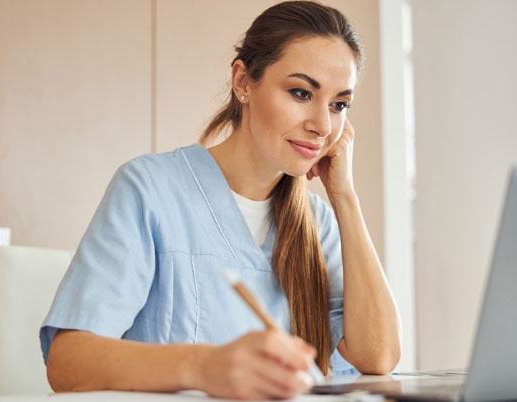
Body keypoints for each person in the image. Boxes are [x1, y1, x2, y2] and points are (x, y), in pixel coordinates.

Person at [40, 1, 401, 399]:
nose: (322, 125)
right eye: (301, 93)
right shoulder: (150, 189)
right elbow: (67, 362)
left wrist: (343, 195)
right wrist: (204, 367)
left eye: (339, 105)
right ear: (243, 82)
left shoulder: (317, 222)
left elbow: (378, 358)